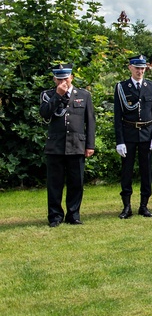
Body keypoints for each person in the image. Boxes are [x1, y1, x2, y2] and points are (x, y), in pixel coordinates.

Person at [39, 63, 95, 227]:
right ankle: (55, 216)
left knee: (76, 182)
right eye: (59, 79)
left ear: (72, 77)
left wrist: (90, 145)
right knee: (54, 183)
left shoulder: (84, 95)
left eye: (66, 78)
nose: (63, 81)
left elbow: (90, 121)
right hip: (55, 145)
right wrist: (58, 95)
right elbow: (44, 113)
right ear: (54, 79)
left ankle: (73, 215)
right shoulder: (48, 95)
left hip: (76, 144)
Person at [114, 54, 152, 219]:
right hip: (129, 134)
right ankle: (126, 206)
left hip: (147, 134)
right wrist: (120, 141)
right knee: (127, 171)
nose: (140, 71)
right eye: (137, 68)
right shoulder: (121, 87)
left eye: (142, 68)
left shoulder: (151, 86)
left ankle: (144, 205)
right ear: (130, 68)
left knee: (146, 171)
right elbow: (118, 116)